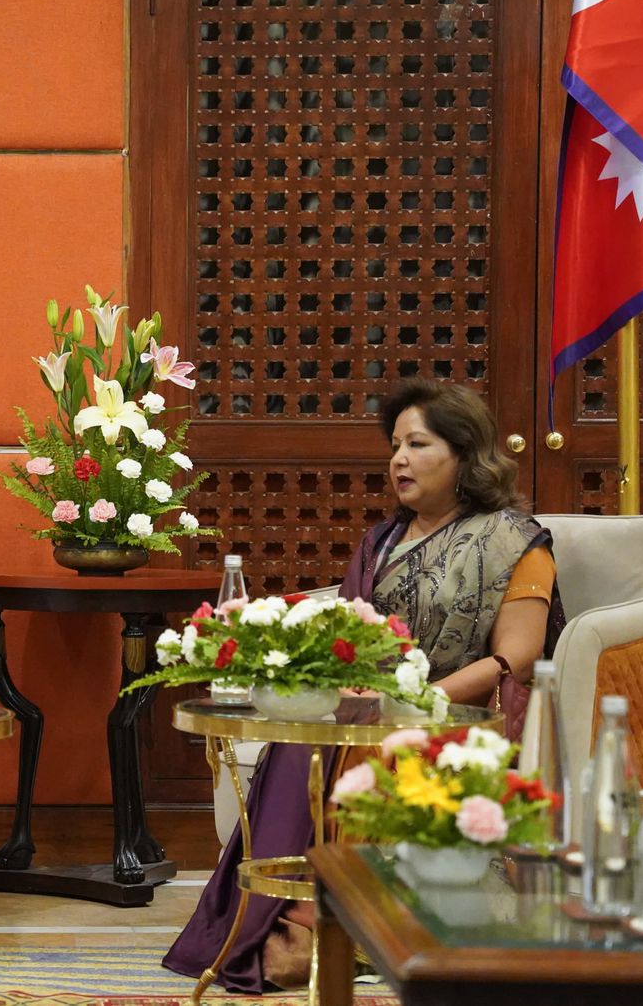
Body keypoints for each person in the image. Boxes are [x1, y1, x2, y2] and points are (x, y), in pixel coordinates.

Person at [164, 378, 565, 992]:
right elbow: (356, 636)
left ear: (464, 454)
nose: (399, 459)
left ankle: (322, 925)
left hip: (456, 716)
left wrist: (420, 701)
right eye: (396, 445)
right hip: (368, 709)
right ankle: (279, 915)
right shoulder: (381, 542)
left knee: (367, 747)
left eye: (418, 444)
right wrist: (343, 688)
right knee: (303, 737)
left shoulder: (514, 542)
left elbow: (517, 657)